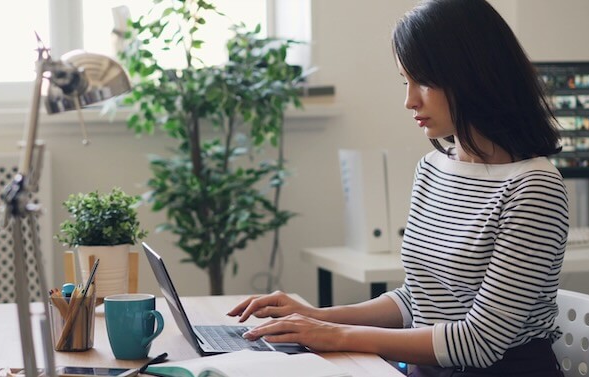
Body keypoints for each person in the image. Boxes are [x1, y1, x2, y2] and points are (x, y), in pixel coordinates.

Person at [227, 0, 569, 375]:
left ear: (473, 75)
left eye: (422, 81)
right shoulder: (433, 168)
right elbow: (416, 300)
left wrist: (336, 334)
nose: (409, 101)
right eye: (405, 81)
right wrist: (313, 316)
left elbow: (479, 341)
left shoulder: (534, 187)